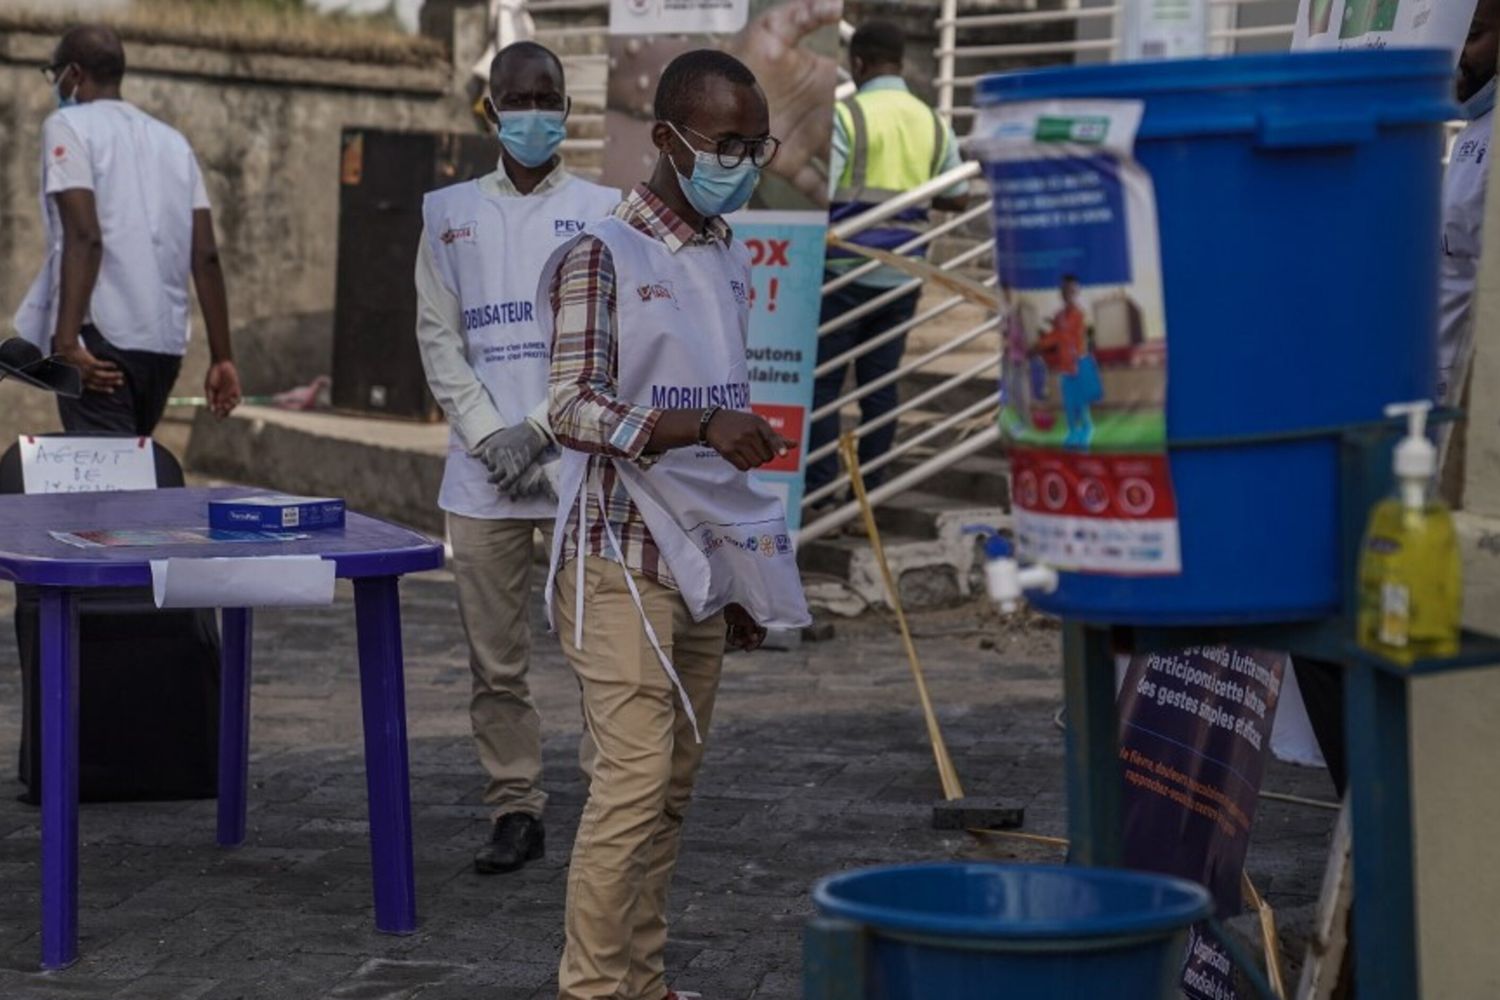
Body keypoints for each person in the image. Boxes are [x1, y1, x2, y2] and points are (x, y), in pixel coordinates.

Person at [541, 49, 811, 1000]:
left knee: (671, 791)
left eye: (755, 145)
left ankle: (642, 982)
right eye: (725, 143)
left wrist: (738, 579)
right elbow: (570, 407)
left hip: (699, 558)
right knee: (630, 782)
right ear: (664, 138)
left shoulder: (726, 251)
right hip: (617, 552)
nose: (743, 161)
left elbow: (721, 428)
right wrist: (696, 427)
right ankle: (591, 989)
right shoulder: (602, 255)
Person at [414, 41, 620, 875]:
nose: (535, 113)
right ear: (491, 108)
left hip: (577, 466)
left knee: (602, 652)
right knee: (495, 663)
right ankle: (514, 806)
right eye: (519, 98)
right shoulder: (447, 213)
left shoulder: (605, 211)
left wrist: (537, 430)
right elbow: (438, 337)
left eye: (549, 97)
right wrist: (488, 435)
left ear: (567, 107)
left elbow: (605, 339)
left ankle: (613, 808)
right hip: (481, 476)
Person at [13, 25, 240, 434]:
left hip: (101, 341)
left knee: (105, 471)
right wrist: (222, 358)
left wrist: (65, 343)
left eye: (55, 74)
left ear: (74, 73)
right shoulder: (174, 143)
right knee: (129, 461)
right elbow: (206, 257)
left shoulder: (67, 125)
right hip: (163, 350)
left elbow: (85, 236)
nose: (56, 84)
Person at [804, 19, 970, 505]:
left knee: (823, 385)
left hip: (842, 271)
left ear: (857, 63)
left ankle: (819, 491)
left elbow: (821, 190)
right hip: (903, 275)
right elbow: (958, 195)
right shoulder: (932, 120)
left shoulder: (846, 115)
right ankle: (869, 498)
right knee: (880, 389)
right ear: (899, 62)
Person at [1033, 275, 1097, 448]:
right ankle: (1073, 432)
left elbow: (1066, 336)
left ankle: (1085, 432)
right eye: (1065, 290)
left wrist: (1042, 343)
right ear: (1061, 292)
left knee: (1080, 402)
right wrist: (1044, 341)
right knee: (1069, 402)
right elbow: (1057, 334)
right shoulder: (1059, 315)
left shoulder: (1078, 315)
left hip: (1078, 363)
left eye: (1071, 290)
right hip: (1065, 365)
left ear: (1076, 292)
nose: (1068, 294)